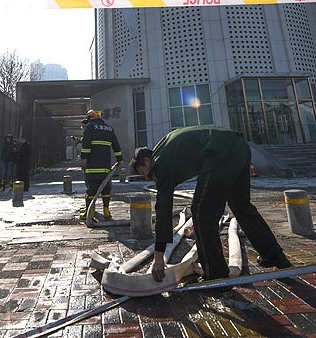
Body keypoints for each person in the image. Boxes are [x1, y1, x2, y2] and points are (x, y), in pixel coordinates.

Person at [130, 126, 291, 285]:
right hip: (239, 146)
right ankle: (275, 256)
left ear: (146, 161)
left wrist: (158, 258)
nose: (147, 178)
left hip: (219, 157)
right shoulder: (161, 149)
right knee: (241, 205)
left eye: (143, 172)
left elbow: (163, 210)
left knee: (201, 213)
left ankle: (215, 275)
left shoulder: (159, 165)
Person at [79, 110, 122, 221]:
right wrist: (119, 160)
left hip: (92, 166)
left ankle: (90, 212)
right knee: (106, 189)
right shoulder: (109, 129)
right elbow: (116, 146)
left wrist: (84, 159)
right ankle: (106, 211)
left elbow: (86, 145)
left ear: (90, 118)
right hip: (105, 167)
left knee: (91, 190)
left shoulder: (90, 128)